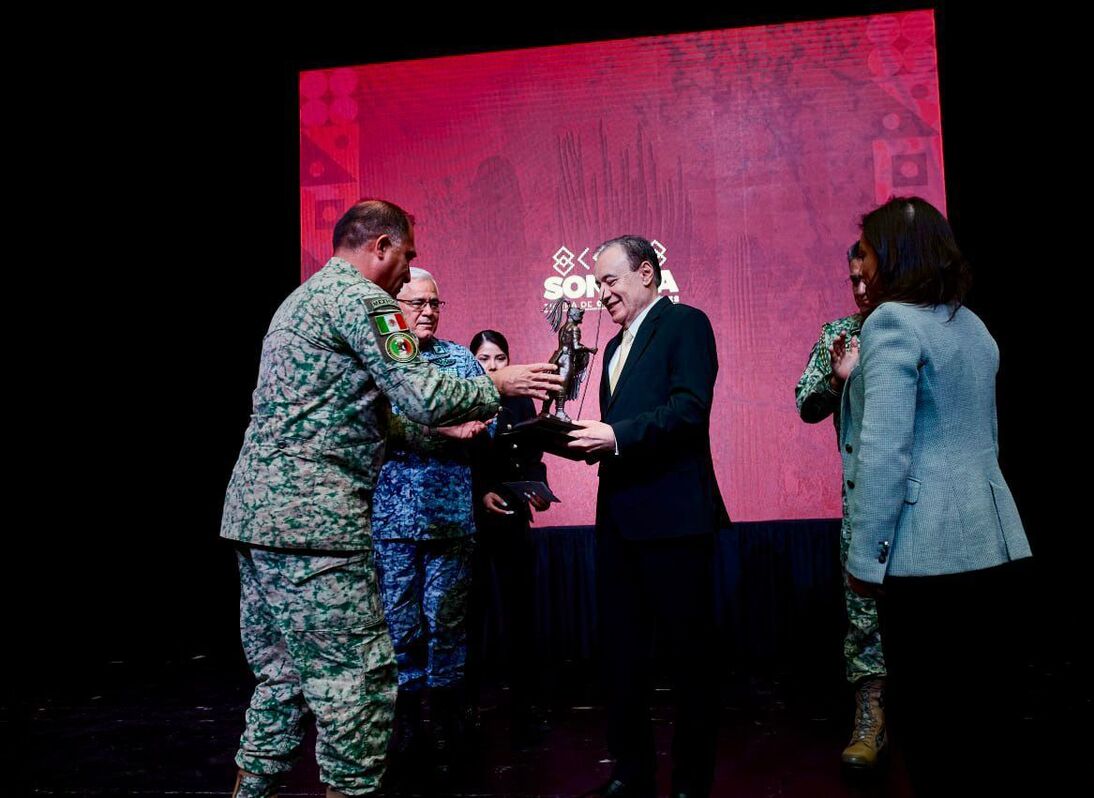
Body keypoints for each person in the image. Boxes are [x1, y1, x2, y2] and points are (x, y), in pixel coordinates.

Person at [220, 199, 561, 798]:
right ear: (379, 246)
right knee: (360, 684)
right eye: (407, 256)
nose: (409, 272)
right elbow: (427, 396)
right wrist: (495, 383)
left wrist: (426, 427)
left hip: (255, 519)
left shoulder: (298, 302)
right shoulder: (365, 302)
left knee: (281, 679)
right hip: (314, 526)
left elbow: (339, 412)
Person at [838, 196, 1032, 796]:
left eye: (866, 252)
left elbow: (885, 454)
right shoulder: (971, 323)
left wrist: (865, 560)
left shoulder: (890, 322)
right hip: (989, 542)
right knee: (980, 720)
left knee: (929, 727)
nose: (862, 268)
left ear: (892, 253)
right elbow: (986, 440)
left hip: (925, 555)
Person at [568, 235, 728, 798]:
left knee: (689, 662)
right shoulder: (611, 350)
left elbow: (689, 410)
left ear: (645, 274)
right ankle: (631, 773)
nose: (601, 293)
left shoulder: (686, 324)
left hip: (676, 520)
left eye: (609, 281)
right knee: (621, 659)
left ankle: (690, 782)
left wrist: (615, 436)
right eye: (596, 284)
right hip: (618, 522)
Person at [370, 268, 487, 775]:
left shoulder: (459, 358)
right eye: (417, 302)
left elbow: (490, 413)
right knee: (400, 622)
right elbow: (381, 419)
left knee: (447, 622)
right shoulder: (383, 359)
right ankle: (405, 723)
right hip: (393, 520)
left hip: (451, 517)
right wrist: (441, 423)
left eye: (435, 303)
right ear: (395, 305)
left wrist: (469, 425)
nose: (428, 312)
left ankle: (446, 720)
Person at [794, 242, 888, 770]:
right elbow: (806, 404)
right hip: (862, 505)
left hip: (923, 504)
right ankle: (870, 717)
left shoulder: (923, 327)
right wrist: (838, 377)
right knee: (864, 619)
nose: (859, 289)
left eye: (867, 277)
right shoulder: (839, 334)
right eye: (852, 279)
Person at [468, 329, 554, 745]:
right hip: (473, 524)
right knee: (471, 616)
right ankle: (465, 706)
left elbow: (533, 455)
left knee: (522, 615)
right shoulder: (462, 397)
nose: (494, 366)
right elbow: (456, 460)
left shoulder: (521, 399)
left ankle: (527, 703)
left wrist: (538, 488)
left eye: (500, 357)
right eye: (484, 359)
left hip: (514, 517)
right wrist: (478, 493)